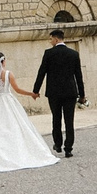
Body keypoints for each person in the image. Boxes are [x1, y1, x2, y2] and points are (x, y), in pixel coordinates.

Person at [32, 28, 85, 156]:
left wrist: (36, 90)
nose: (50, 42)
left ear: (56, 39)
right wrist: (82, 94)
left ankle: (58, 143)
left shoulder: (49, 54)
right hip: (70, 93)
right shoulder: (73, 54)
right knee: (69, 120)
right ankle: (68, 148)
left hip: (54, 93)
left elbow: (41, 73)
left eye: (50, 39)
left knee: (56, 118)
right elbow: (78, 76)